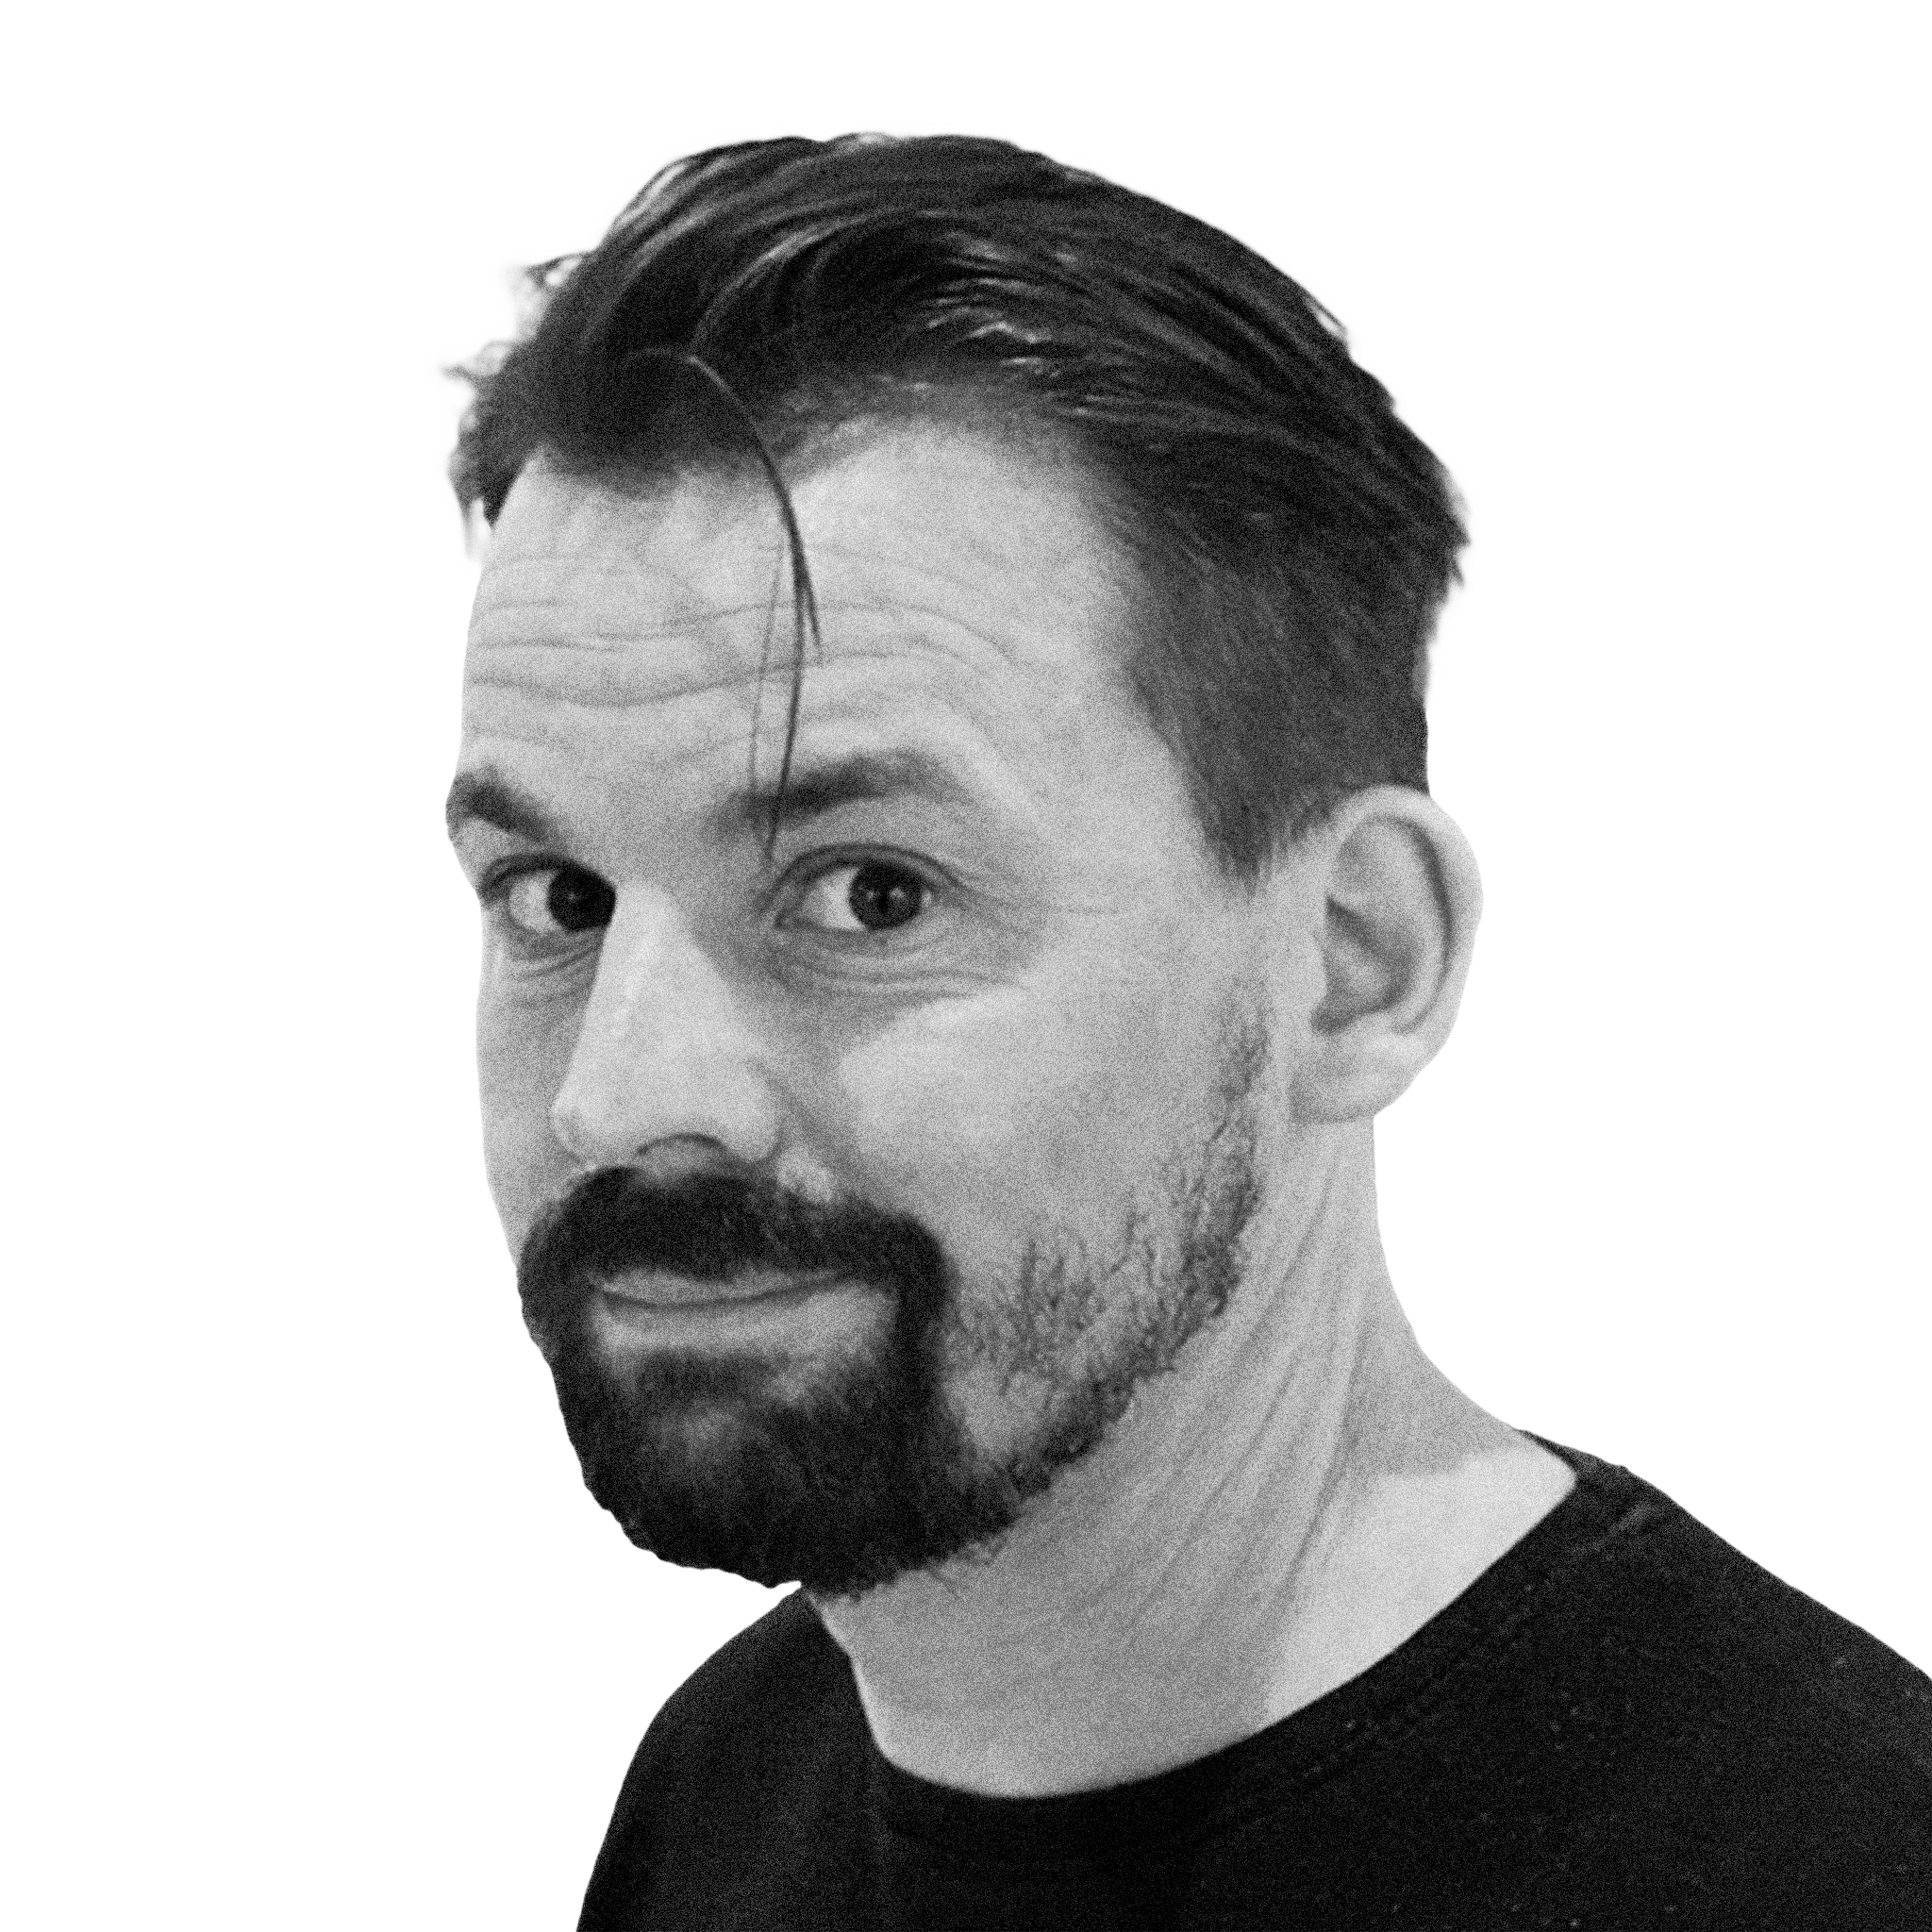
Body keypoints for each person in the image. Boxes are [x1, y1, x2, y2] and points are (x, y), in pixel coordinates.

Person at [442, 133, 1930, 1929]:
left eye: (872, 893)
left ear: (1357, 964)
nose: (617, 1096)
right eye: (558, 898)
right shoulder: (731, 1780)